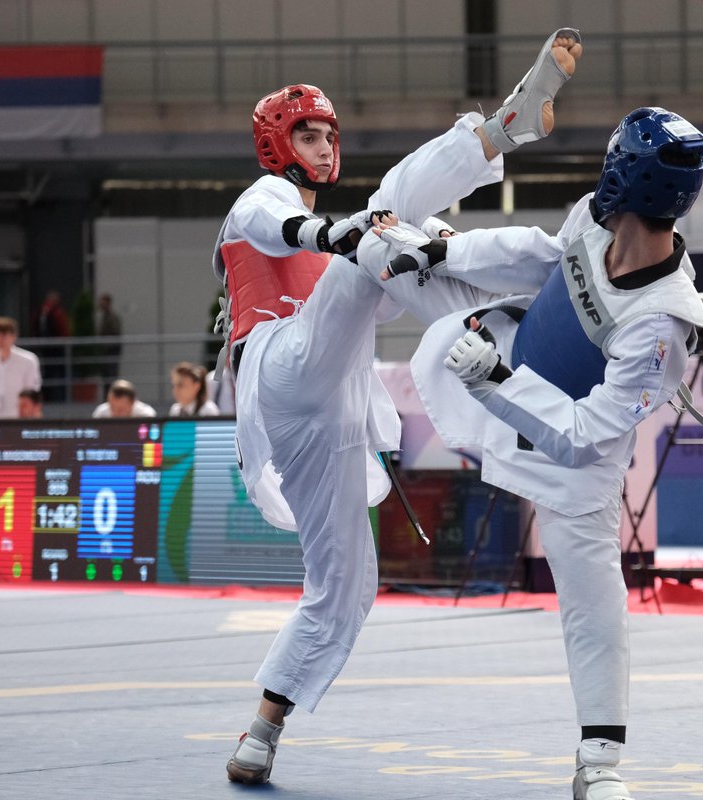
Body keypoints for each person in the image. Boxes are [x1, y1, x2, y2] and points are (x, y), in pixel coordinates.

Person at [219, 29, 583, 788]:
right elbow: (268, 224)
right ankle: (503, 136)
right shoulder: (266, 201)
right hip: (280, 371)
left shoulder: (342, 250)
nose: (322, 147)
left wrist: (431, 249)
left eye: (328, 134)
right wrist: (345, 233)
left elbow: (385, 290)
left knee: (346, 586)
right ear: (274, 143)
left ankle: (261, 731)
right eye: (306, 134)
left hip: (330, 410)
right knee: (384, 223)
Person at [367, 105, 703, 800]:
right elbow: (541, 254)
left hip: (563, 461)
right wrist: (447, 252)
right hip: (498, 349)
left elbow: (585, 436)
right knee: (389, 240)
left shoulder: (660, 326)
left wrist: (494, 382)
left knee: (592, 607)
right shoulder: (594, 216)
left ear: (625, 175)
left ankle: (601, 766)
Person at [0, 317, 42, 419]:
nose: (0, 339)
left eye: (4, 335)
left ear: (13, 336)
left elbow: (31, 391)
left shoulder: (28, 360)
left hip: (16, 417)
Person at [34, 290, 71, 401]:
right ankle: (50, 397)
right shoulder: (46, 311)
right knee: (50, 373)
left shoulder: (49, 312)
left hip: (53, 348)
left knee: (55, 373)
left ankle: (57, 398)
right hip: (50, 348)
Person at [91, 378, 157, 418]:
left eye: (121, 409)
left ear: (133, 403)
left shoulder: (147, 415)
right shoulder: (100, 414)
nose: (115, 413)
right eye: (112, 407)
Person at [97, 293, 122, 381]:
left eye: (103, 303)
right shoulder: (103, 317)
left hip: (111, 350)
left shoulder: (112, 317)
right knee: (106, 376)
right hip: (105, 350)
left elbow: (116, 332)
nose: (101, 305)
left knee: (111, 375)